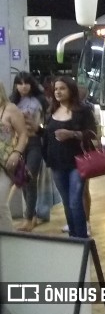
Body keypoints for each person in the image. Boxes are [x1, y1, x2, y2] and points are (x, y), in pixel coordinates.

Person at [42, 76, 96, 238]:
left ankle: (81, 238)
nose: (58, 91)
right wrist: (35, 130)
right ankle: (73, 236)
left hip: (78, 163)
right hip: (56, 163)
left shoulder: (82, 111)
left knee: (74, 201)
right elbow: (48, 135)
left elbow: (93, 133)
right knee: (66, 202)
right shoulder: (51, 110)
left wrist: (72, 134)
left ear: (70, 90)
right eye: (56, 89)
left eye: (62, 88)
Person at [10, 72, 47, 231]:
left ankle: (29, 218)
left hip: (34, 142)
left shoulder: (39, 100)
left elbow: (44, 122)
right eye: (20, 83)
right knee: (24, 181)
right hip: (18, 145)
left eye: (26, 83)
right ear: (16, 86)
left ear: (31, 84)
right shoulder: (13, 102)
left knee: (30, 177)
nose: (23, 86)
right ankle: (31, 216)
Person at [0, 81, 29, 232]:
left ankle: (7, 238)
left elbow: (23, 134)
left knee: (0, 204)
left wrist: (17, 152)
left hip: (6, 164)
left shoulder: (10, 109)